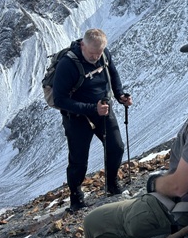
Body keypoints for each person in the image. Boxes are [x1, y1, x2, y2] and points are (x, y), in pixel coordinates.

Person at [78, 30, 188, 238]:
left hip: (187, 205)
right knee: (122, 216)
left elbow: (179, 186)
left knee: (93, 223)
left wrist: (156, 183)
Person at [53, 28, 133, 212]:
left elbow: (113, 75)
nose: (96, 57)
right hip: (76, 117)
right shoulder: (67, 64)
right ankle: (76, 198)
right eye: (92, 53)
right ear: (82, 45)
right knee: (79, 160)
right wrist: (91, 108)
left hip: (102, 110)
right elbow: (60, 100)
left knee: (116, 147)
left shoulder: (103, 54)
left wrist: (120, 95)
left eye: (99, 53)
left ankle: (112, 183)